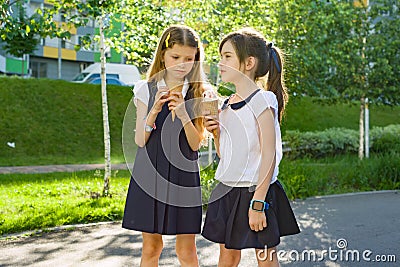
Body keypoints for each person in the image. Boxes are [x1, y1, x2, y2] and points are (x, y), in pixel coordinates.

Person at [201, 28, 300, 267]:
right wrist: (215, 134)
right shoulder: (225, 105)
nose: (220, 62)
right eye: (220, 56)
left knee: (265, 259)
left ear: (248, 63)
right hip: (227, 192)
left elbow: (269, 153)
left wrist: (258, 203)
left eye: (227, 57)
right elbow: (228, 157)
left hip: (257, 192)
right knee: (227, 258)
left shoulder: (262, 100)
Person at [122, 25, 209, 267]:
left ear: (196, 59)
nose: (182, 64)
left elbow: (194, 144)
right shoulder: (144, 89)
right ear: (163, 54)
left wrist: (183, 114)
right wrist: (154, 112)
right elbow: (140, 140)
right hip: (149, 174)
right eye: (175, 57)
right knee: (151, 248)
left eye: (189, 59)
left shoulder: (197, 92)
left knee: (187, 250)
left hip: (184, 176)